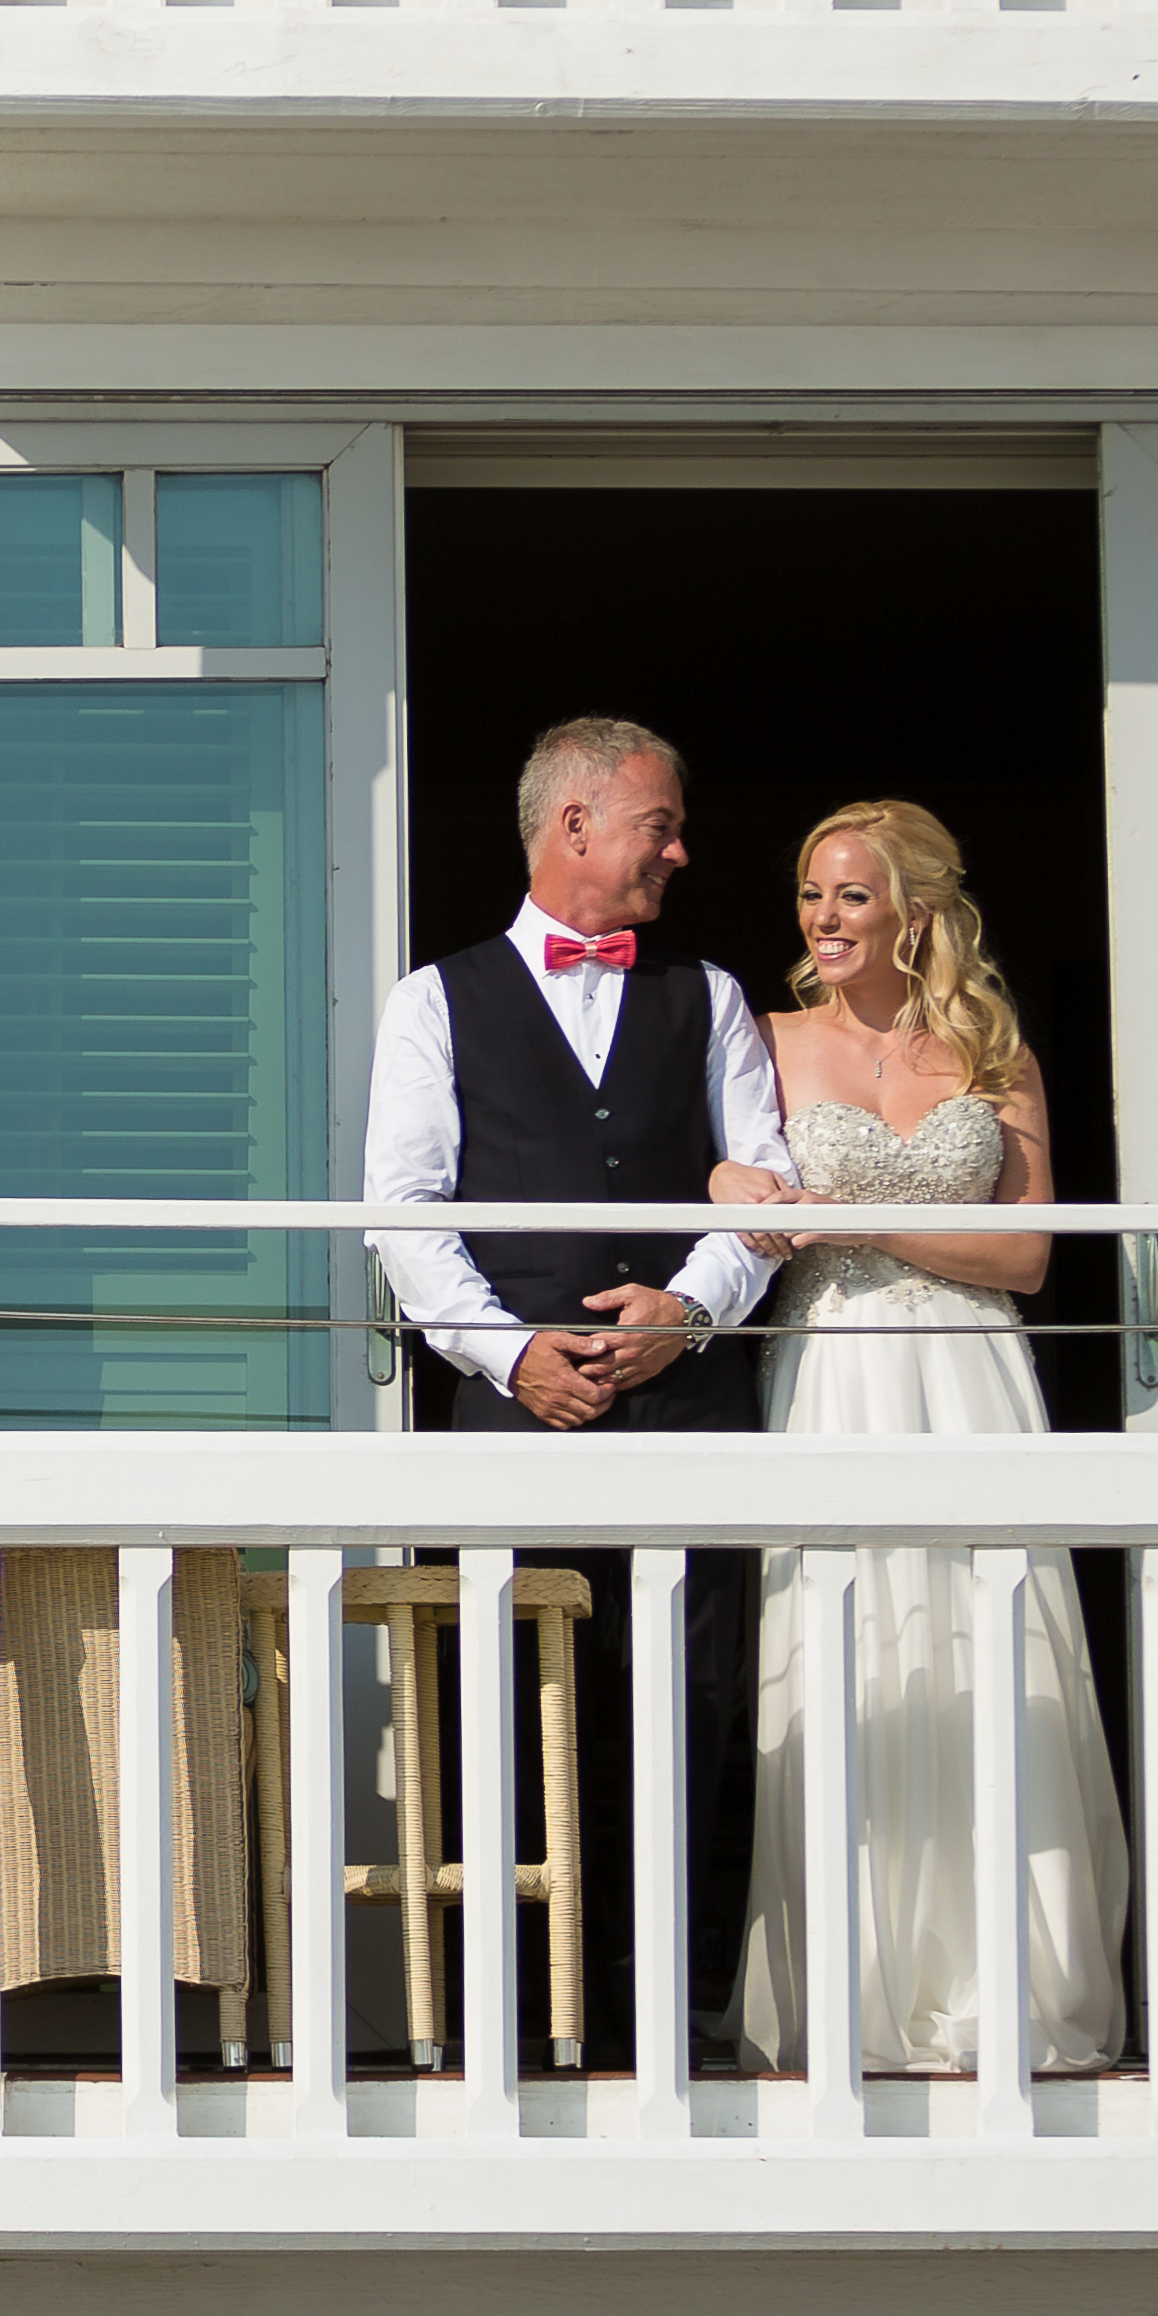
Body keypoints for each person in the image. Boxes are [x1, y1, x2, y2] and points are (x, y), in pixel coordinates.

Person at [361, 713, 796, 2070]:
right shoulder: (433, 998)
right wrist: (509, 1351)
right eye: (656, 821)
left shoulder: (709, 995)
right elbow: (401, 1213)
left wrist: (688, 1308)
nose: (679, 845)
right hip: (511, 1415)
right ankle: (508, 2030)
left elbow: (766, 1186)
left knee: (684, 1702)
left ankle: (655, 2020)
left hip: (688, 1411)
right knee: (503, 1702)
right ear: (572, 827)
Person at [708, 797, 1134, 2074]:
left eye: (848, 896)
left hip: (970, 1374)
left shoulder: (991, 1053)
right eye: (808, 894)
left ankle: (1005, 1977)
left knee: (993, 1649)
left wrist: (856, 1215)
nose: (821, 920)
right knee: (851, 1655)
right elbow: (726, 1178)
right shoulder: (763, 1040)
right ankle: (851, 1985)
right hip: (833, 1372)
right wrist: (736, 1185)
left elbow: (1023, 1252)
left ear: (916, 913)